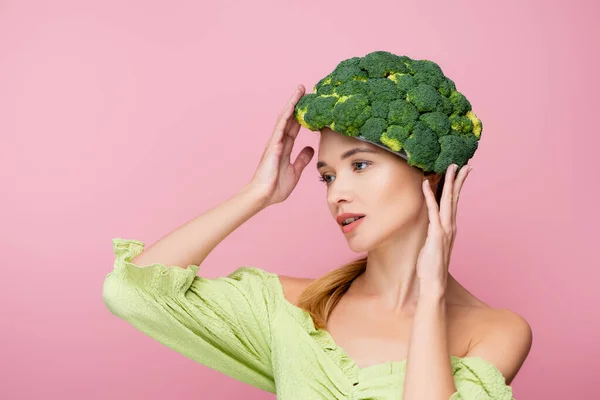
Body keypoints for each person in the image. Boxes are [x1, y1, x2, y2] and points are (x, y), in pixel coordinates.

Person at [103, 84, 532, 399]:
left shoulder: (496, 332)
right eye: (327, 176)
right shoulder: (294, 308)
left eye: (360, 165)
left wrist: (432, 291)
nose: (335, 194)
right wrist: (257, 195)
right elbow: (131, 292)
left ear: (430, 173)